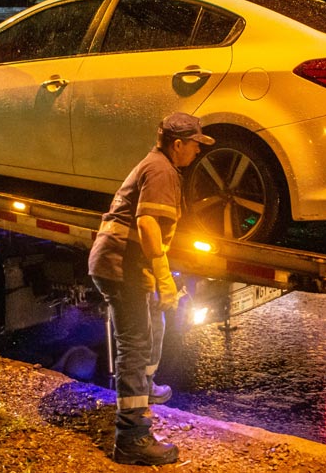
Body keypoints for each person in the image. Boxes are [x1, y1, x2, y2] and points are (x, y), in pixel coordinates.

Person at [88, 111, 214, 466]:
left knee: (154, 325)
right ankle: (131, 437)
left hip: (123, 264)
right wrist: (163, 275)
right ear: (178, 144)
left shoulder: (157, 164)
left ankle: (144, 389)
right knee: (135, 345)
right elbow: (146, 224)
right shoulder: (162, 171)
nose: (198, 151)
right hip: (120, 267)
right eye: (195, 144)